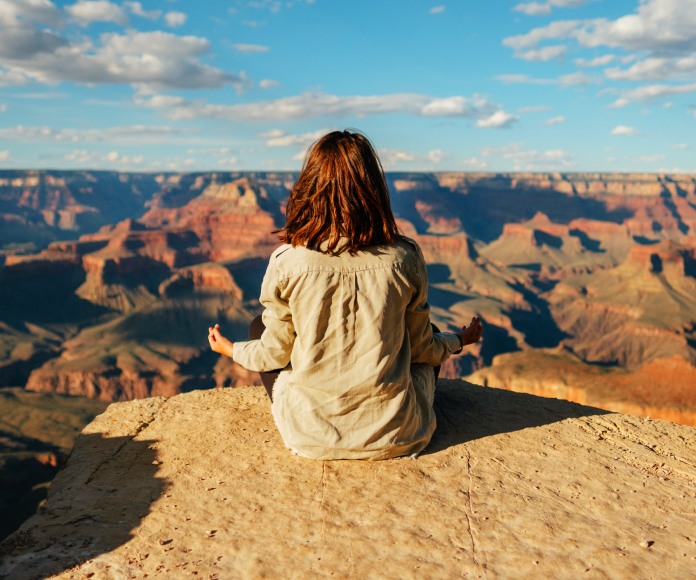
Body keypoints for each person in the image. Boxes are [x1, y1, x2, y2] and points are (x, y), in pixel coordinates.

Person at [208, 130, 482, 460]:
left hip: (309, 438)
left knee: (258, 329)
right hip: (399, 436)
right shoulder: (404, 256)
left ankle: (317, 419)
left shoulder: (287, 260)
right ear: (374, 189)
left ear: (309, 188)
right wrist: (458, 340)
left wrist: (230, 349)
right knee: (432, 332)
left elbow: (273, 356)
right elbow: (423, 349)